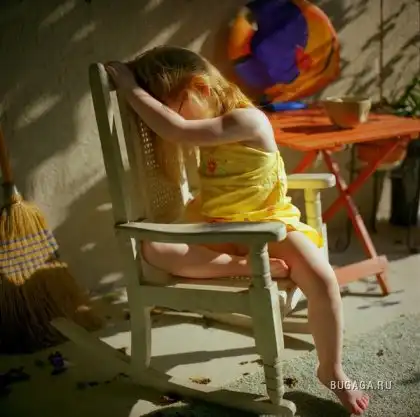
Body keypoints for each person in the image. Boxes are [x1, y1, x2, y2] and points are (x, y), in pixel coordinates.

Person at [105, 45, 369, 415]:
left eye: (171, 105)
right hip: (221, 230)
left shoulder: (247, 121)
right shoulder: (213, 123)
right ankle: (240, 266)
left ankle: (332, 368)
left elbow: (177, 130)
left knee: (323, 280)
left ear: (200, 88)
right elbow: (178, 127)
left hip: (268, 225)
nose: (167, 115)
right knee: (153, 249)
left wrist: (131, 88)